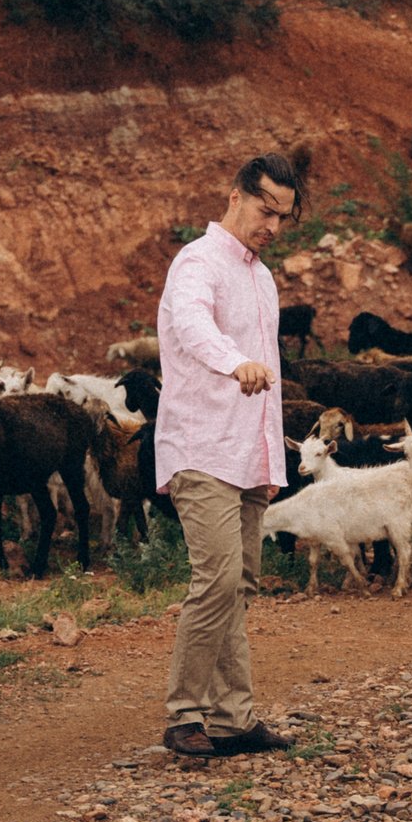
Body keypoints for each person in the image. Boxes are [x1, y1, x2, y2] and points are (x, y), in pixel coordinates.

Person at [154, 153, 303, 758]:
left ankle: (233, 719)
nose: (273, 225)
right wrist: (231, 362)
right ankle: (184, 714)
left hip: (248, 454)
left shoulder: (262, 277)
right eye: (266, 210)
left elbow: (266, 371)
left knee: (238, 585)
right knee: (215, 578)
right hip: (201, 447)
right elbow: (192, 328)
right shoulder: (196, 262)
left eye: (284, 217)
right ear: (236, 195)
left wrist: (271, 465)